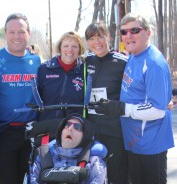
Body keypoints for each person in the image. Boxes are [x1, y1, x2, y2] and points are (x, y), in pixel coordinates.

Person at [94, 13, 174, 184]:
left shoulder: (153, 63)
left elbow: (158, 110)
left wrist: (122, 108)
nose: (128, 36)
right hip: (133, 142)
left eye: (135, 30)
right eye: (124, 32)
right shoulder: (133, 56)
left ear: (148, 32)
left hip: (151, 144)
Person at [0, 13, 41, 184]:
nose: (16, 36)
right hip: (4, 133)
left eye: (21, 31)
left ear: (29, 33)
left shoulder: (36, 60)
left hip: (31, 133)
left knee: (32, 179)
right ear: (5, 33)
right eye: (12, 32)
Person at [85, 22, 130, 184]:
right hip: (91, 130)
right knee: (95, 175)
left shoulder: (123, 62)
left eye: (100, 37)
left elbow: (139, 86)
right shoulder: (86, 61)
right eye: (91, 39)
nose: (96, 42)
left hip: (115, 131)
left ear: (109, 37)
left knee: (118, 175)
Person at [30, 113, 106, 184]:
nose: (70, 128)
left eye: (77, 127)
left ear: (85, 136)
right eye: (67, 125)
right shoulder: (43, 157)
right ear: (61, 131)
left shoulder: (94, 162)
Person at [37, 31, 85, 121]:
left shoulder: (85, 71)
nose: (70, 50)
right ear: (60, 48)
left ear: (79, 50)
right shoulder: (44, 69)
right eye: (66, 46)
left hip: (73, 128)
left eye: (74, 46)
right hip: (48, 126)